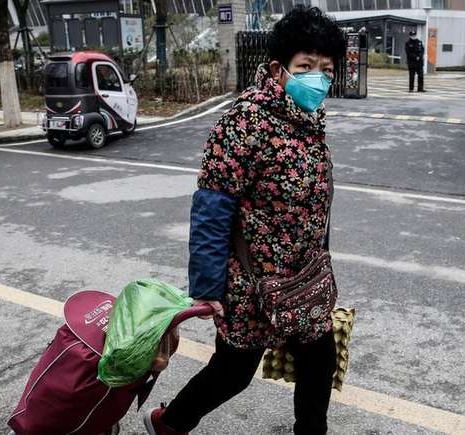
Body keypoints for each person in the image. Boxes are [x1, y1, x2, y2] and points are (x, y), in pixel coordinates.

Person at [142, 6, 345, 435]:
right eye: (306, 67)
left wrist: (321, 261)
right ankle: (170, 423)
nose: (318, 79)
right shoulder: (242, 124)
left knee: (319, 361)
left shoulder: (309, 120)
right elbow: (211, 211)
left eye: (326, 70)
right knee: (233, 371)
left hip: (303, 279)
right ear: (278, 68)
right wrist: (208, 287)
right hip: (250, 284)